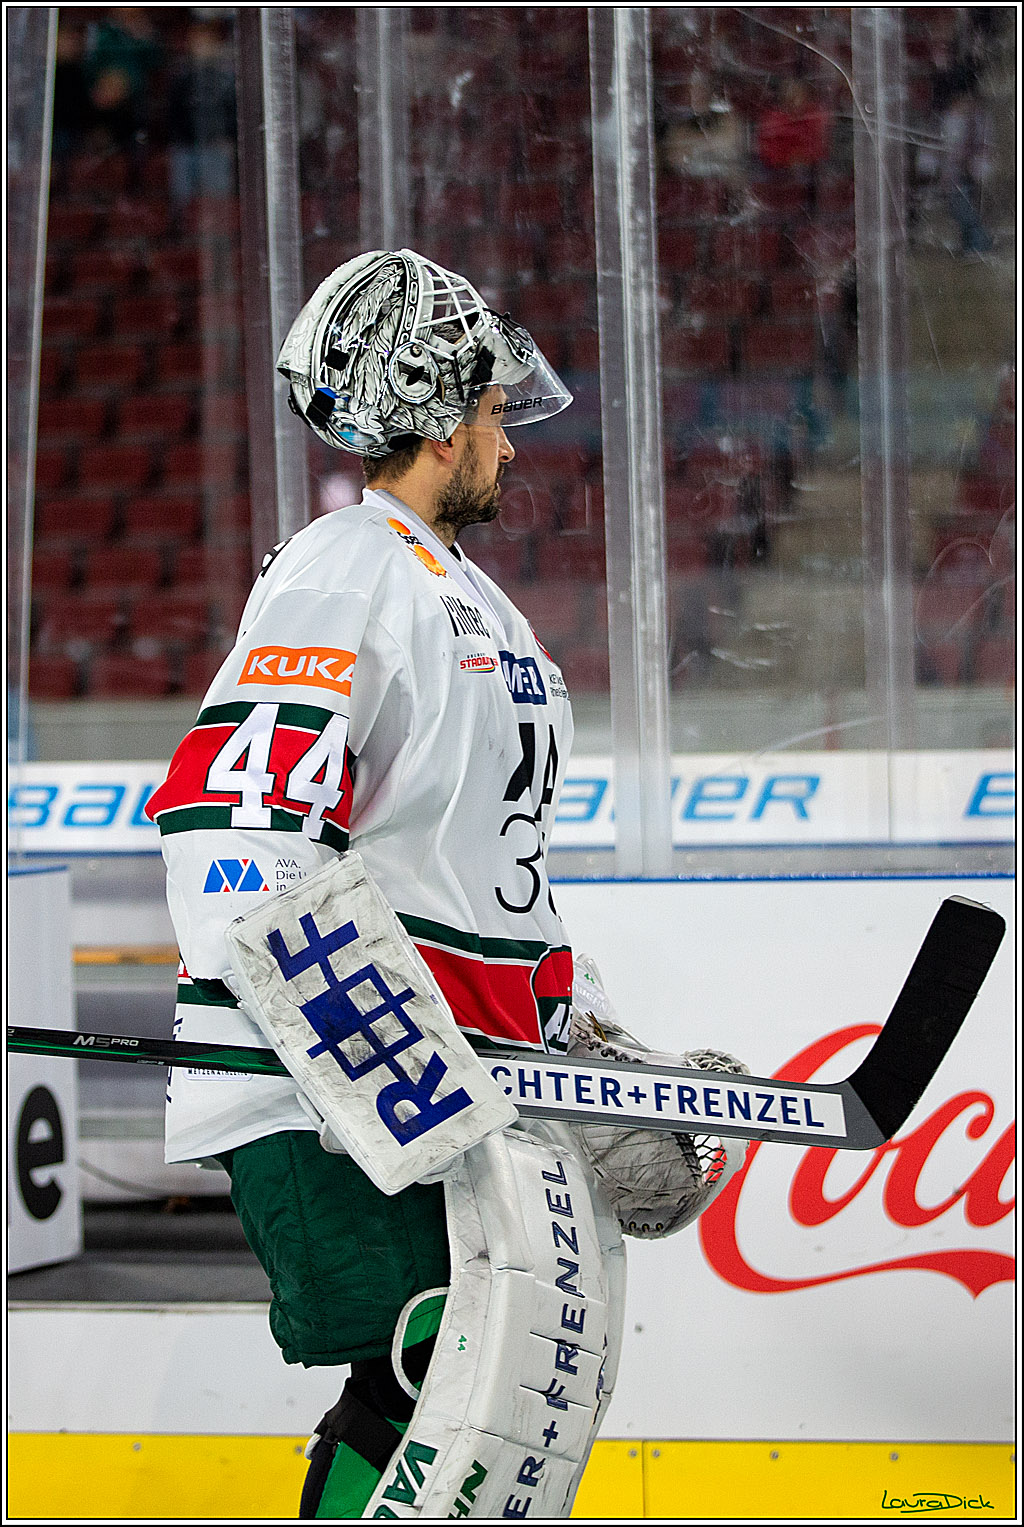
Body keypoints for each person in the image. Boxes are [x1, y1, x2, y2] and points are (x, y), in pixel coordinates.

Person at [145, 249, 744, 1518]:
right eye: (483, 412)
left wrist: (576, 1049)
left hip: (452, 1071)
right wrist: (376, 1046)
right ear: (421, 406)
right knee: (426, 1371)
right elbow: (233, 826)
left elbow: (473, 877)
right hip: (329, 1087)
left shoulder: (465, 594)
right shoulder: (340, 567)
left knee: (493, 1396)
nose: (506, 445)